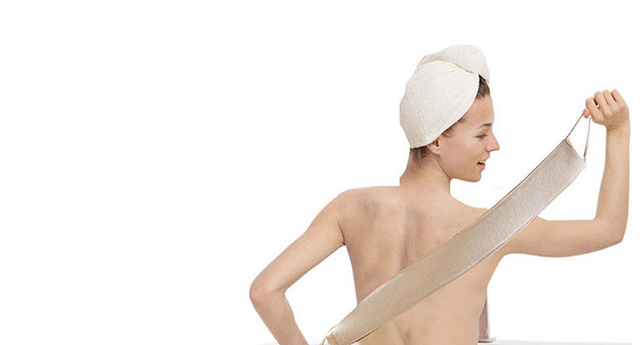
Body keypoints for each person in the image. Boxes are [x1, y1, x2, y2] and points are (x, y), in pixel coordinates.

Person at [249, 45, 630, 345]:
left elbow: (265, 291)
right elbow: (607, 230)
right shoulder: (490, 228)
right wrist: (618, 131)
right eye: (481, 133)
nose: (494, 144)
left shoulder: (349, 208)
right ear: (435, 140)